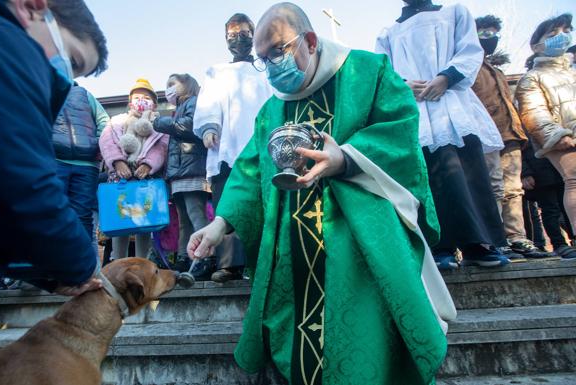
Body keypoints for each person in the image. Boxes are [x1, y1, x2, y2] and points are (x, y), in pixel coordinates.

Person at [188, 3, 455, 384]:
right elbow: (250, 171)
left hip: (356, 240)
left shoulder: (367, 71)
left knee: (360, 348)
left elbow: (400, 130)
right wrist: (218, 226)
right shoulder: (271, 111)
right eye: (263, 59)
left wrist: (345, 158)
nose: (271, 65)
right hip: (290, 251)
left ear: (310, 41)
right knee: (295, 351)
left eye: (277, 51)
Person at [0, 0, 108, 381]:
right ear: (33, 7)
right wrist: (80, 263)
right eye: (71, 59)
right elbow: (21, 185)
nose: (67, 80)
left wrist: (47, 274)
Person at [376, 1, 510, 270]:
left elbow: (470, 49)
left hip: (452, 102)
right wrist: (403, 86)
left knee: (467, 174)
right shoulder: (388, 33)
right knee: (428, 179)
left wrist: (446, 77)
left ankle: (479, 244)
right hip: (415, 110)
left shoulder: (454, 13)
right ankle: (439, 246)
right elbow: (383, 73)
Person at [193, 13, 273, 283]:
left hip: (264, 148)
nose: (238, 38)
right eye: (232, 33)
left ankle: (266, 261)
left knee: (266, 204)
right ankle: (230, 264)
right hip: (228, 148)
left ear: (254, 35)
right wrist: (209, 128)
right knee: (227, 203)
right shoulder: (217, 71)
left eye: (244, 32)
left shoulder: (267, 67)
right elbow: (208, 103)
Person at [472, 15, 552, 260]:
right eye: (484, 33)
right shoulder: (467, 68)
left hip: (511, 134)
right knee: (493, 187)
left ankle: (516, 236)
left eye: (493, 33)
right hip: (486, 135)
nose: (490, 38)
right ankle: (495, 238)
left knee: (514, 189)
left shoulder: (495, 71)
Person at [515, 14, 576, 236]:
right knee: (574, 181)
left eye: (566, 31)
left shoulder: (572, 72)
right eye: (552, 34)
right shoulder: (533, 78)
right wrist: (557, 136)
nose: (561, 37)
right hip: (565, 140)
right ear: (536, 45)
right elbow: (534, 113)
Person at [99, 78, 169, 261]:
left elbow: (161, 147)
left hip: (146, 179)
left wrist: (148, 165)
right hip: (119, 179)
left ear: (154, 103)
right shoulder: (116, 121)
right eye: (137, 97)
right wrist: (118, 162)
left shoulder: (159, 124)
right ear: (130, 101)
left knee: (144, 222)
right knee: (119, 222)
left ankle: (143, 263)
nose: (141, 100)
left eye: (146, 97)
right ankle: (118, 262)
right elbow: (107, 142)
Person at [153, 74, 210, 273]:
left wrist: (158, 122)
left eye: (172, 84)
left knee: (196, 215)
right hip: (180, 172)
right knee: (184, 220)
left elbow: (189, 126)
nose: (167, 89)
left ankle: (206, 257)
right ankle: (185, 258)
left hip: (192, 169)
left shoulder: (193, 102)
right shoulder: (178, 109)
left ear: (187, 85)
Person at [54, 84, 110, 239]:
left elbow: (104, 120)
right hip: (55, 160)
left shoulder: (84, 93)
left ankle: (82, 261)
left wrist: (98, 144)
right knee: (53, 212)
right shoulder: (43, 88)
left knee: (83, 216)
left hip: (87, 164)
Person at [522, 138, 576, 259]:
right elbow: (520, 148)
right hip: (538, 170)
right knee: (550, 210)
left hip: (561, 167)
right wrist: (525, 173)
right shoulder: (524, 120)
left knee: (568, 209)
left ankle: (573, 239)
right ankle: (559, 244)